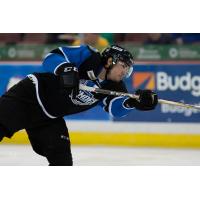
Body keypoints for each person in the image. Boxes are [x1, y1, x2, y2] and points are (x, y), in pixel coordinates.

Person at [0, 44, 158, 166]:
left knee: (62, 163)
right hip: (28, 97)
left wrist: (133, 102)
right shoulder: (90, 57)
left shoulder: (115, 87)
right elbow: (51, 57)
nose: (125, 72)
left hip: (49, 117)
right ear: (110, 60)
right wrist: (65, 69)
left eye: (128, 69)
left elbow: (115, 109)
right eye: (123, 66)